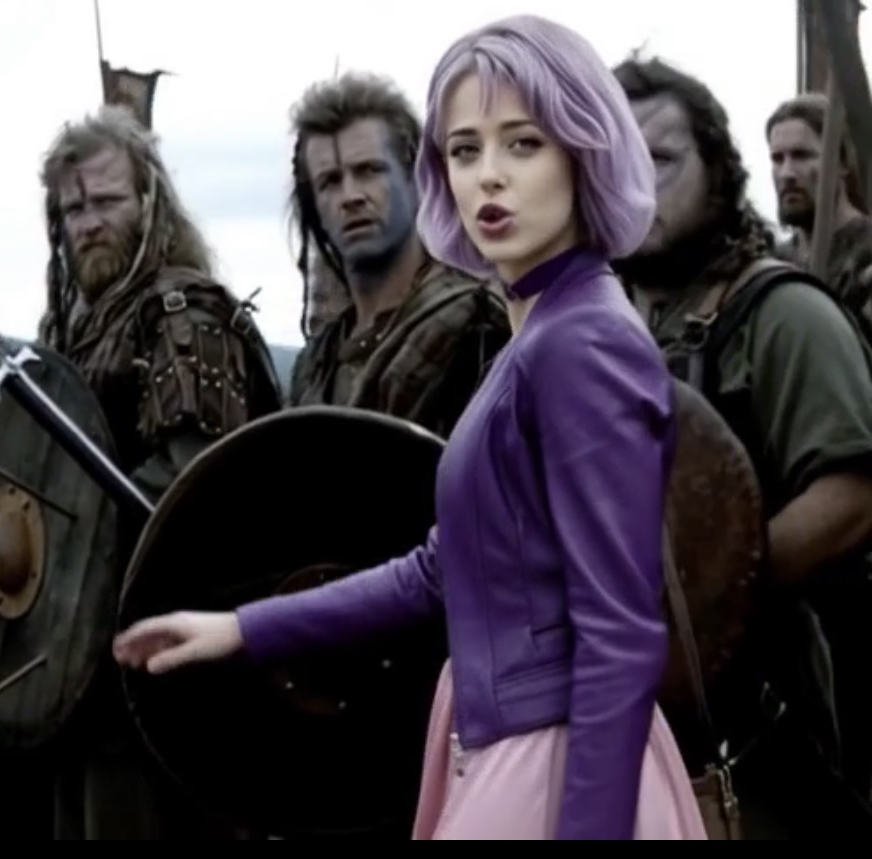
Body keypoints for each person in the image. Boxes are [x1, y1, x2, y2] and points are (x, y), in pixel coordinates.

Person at [113, 15, 706, 841]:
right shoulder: (540, 335)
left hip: (562, 766)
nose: (488, 175)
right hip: (502, 749)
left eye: (523, 143)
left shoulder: (583, 342)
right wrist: (244, 626)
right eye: (464, 149)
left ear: (582, 150)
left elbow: (619, 636)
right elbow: (439, 570)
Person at [614, 57, 872, 838]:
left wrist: (702, 608)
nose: (635, 183)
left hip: (764, 731)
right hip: (628, 729)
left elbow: (852, 498)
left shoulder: (783, 314)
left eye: (660, 159)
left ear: (719, 172)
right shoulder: (598, 327)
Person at [37, 103, 283, 839]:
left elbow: (194, 482)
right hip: (83, 658)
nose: (88, 223)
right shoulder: (81, 331)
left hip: (165, 652)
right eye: (73, 208)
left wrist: (62, 544)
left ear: (150, 202)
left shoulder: (179, 313)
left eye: (107, 201)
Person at [286, 72, 510, 437]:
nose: (351, 196)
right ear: (314, 207)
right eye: (330, 181)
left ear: (415, 180)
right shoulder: (316, 365)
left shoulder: (475, 331)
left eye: (369, 171)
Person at [766, 92, 872, 326]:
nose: (786, 173)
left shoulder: (866, 254)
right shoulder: (775, 262)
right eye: (777, 159)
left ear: (842, 163)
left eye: (801, 156)